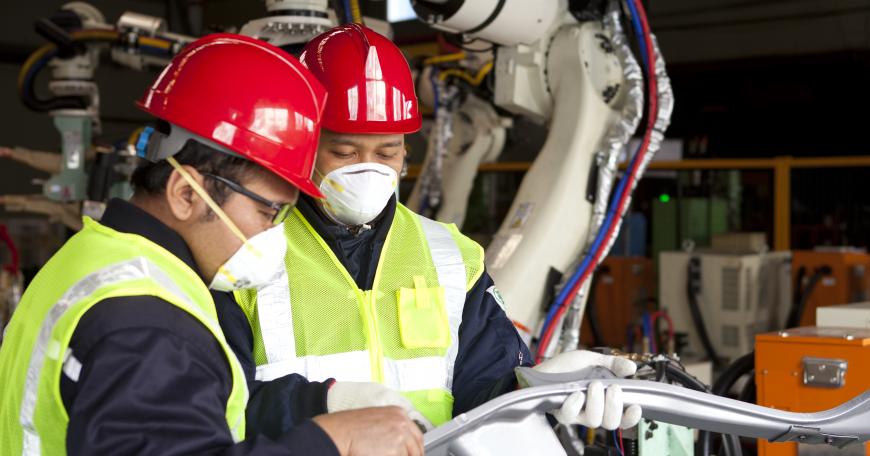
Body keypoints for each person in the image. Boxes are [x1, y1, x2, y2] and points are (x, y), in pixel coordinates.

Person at [0, 33, 423, 456]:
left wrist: (322, 402)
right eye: (269, 212)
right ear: (186, 194)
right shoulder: (148, 323)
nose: (276, 232)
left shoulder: (97, 258)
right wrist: (332, 441)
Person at [231, 23, 642, 436]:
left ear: (407, 151)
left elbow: (484, 398)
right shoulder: (246, 251)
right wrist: (327, 403)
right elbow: (212, 402)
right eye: (344, 151)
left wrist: (540, 389)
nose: (368, 168)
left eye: (387, 152)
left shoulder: (451, 258)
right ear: (305, 145)